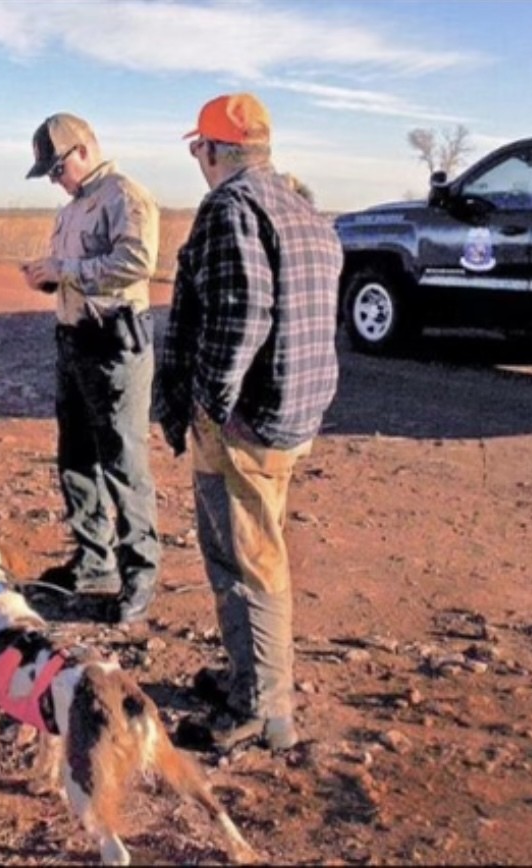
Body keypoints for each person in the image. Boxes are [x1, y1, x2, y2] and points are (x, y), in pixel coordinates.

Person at [156, 93, 343, 751]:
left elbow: (241, 319)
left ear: (210, 150)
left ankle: (263, 710)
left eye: (197, 149)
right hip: (289, 413)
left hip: (245, 420)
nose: (197, 160)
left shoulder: (231, 208)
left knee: (246, 557)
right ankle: (247, 677)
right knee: (247, 548)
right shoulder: (301, 208)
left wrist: (210, 402)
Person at [22, 113, 161, 626]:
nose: (56, 180)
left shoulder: (125, 196)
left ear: (82, 150)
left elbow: (137, 261)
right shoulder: (73, 210)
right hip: (74, 341)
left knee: (124, 464)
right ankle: (94, 561)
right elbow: (71, 271)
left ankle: (139, 575)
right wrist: (48, 277)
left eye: (57, 169)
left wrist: (69, 272)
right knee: (76, 459)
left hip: (113, 346)